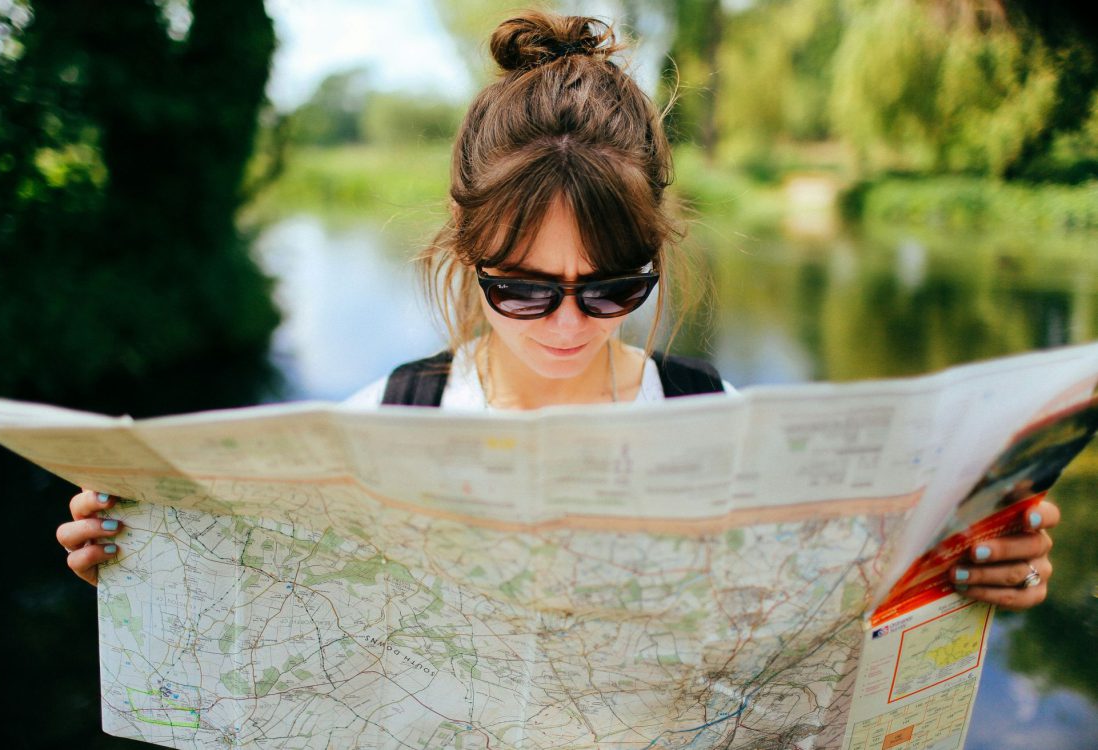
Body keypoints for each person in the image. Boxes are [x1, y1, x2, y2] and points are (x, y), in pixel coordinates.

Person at [56, 11, 1058, 610]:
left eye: (615, 286)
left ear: (658, 254)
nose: (572, 326)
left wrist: (971, 572)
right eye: (524, 288)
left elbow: (832, 620)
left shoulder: (725, 422)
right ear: (465, 254)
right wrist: (142, 570)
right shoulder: (378, 423)